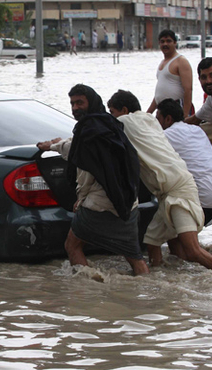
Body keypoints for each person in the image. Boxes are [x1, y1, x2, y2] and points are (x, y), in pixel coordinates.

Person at [107, 89, 212, 273]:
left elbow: (100, 129)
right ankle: (161, 281)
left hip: (178, 192)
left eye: (112, 113)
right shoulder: (149, 121)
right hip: (170, 191)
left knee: (193, 250)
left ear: (123, 110)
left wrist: (57, 144)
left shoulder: (124, 121)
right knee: (152, 241)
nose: (112, 117)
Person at [37, 84, 149, 276]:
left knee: (72, 245)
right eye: (72, 103)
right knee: (133, 256)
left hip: (100, 203)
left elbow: (85, 168)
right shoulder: (109, 123)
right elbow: (80, 148)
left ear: (92, 102)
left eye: (80, 102)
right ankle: (145, 292)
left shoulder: (89, 129)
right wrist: (57, 144)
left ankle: (89, 293)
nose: (75, 108)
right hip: (128, 202)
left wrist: (80, 200)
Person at [157, 98, 212, 251]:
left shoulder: (165, 136)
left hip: (206, 194)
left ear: (167, 119)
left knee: (175, 237)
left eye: (157, 119)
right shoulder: (197, 130)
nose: (156, 124)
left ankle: (180, 270)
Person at [147, 29, 193, 119]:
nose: (165, 44)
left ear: (175, 43)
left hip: (177, 109)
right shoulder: (162, 63)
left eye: (168, 41)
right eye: (162, 42)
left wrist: (185, 115)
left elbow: (188, 90)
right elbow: (158, 95)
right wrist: (148, 114)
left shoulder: (181, 61)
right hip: (162, 111)